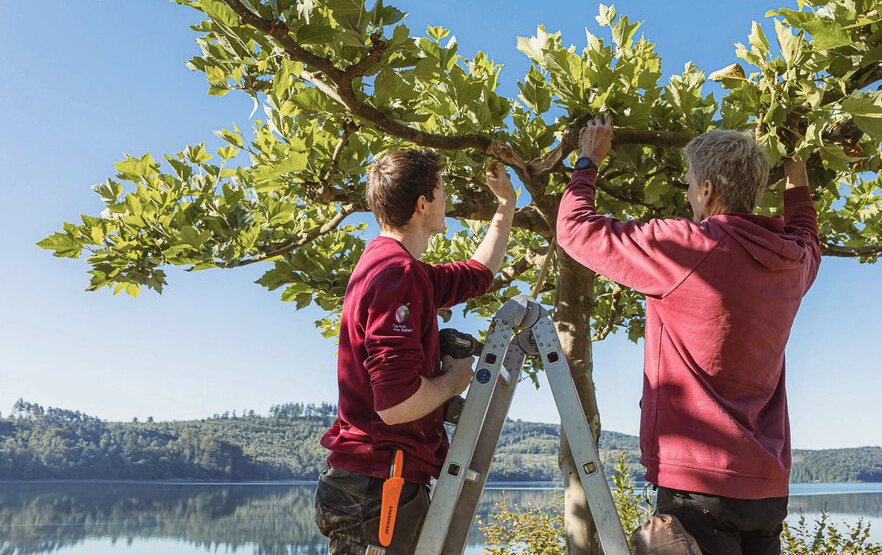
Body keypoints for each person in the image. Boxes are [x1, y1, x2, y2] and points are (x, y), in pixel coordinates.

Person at [557, 116, 820, 555]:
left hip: (698, 486)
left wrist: (588, 162)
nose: (688, 193)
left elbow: (575, 229)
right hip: (768, 488)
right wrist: (796, 170)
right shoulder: (792, 262)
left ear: (708, 190)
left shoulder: (685, 248)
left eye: (690, 182)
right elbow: (806, 231)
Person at [315, 148, 517, 555]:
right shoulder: (398, 274)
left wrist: (506, 205)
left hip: (377, 485)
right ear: (423, 204)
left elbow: (480, 274)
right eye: (442, 191)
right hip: (379, 489)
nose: (447, 201)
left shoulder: (396, 267)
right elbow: (395, 403)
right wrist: (453, 381)